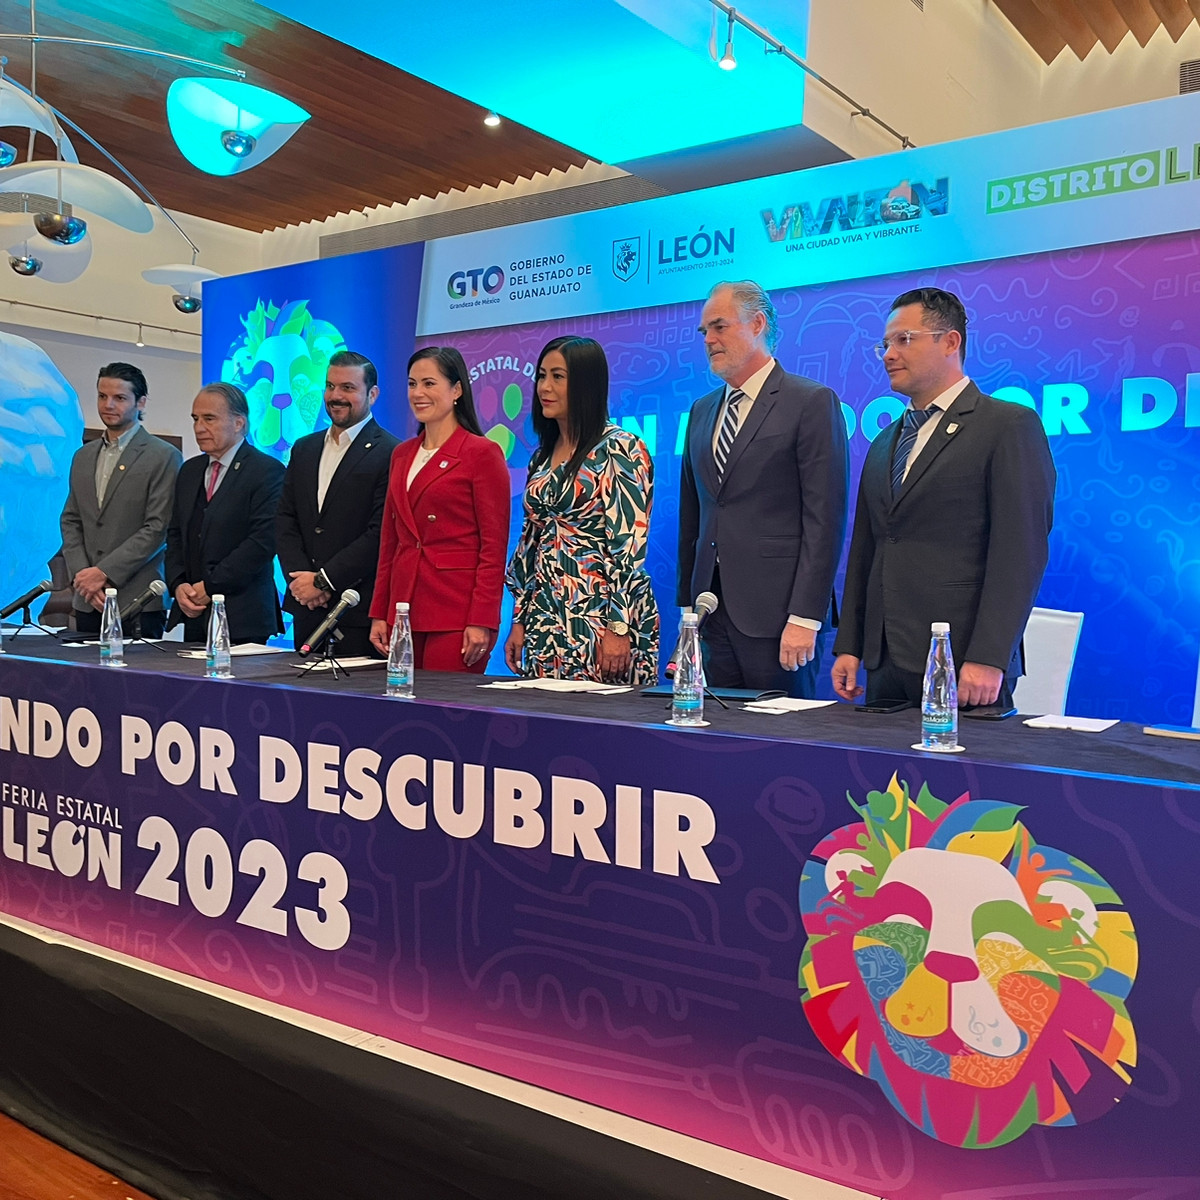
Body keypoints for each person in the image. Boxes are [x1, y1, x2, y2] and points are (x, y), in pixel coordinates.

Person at [831, 286, 1056, 708]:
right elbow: (867, 549)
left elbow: (1020, 552)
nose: (888, 354)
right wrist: (850, 645)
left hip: (961, 662)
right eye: (885, 344)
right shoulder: (884, 441)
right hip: (884, 663)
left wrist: (989, 656)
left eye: (904, 339)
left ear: (951, 342)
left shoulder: (1007, 426)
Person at [678, 280, 849, 698]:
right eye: (704, 331)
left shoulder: (810, 401)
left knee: (781, 735)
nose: (709, 340)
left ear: (757, 324)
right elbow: (693, 515)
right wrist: (687, 611)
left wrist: (805, 617)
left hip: (779, 620)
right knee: (713, 733)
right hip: (710, 616)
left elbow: (824, 521)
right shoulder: (701, 410)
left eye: (719, 326)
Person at [505, 336, 659, 683]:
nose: (545, 387)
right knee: (543, 711)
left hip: (601, 617)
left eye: (558, 377)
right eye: (542, 376)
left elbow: (628, 547)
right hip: (546, 615)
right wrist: (520, 619)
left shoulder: (620, 448)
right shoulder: (541, 457)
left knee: (601, 713)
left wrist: (619, 626)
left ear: (586, 385)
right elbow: (529, 544)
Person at [368, 347, 509, 672]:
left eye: (429, 383)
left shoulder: (482, 453)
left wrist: (482, 619)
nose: (418, 393)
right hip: (403, 609)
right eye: (412, 384)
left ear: (456, 390)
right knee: (402, 701)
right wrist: (380, 612)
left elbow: (493, 547)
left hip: (456, 611)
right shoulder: (402, 454)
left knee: (446, 702)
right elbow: (390, 542)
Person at [276, 350, 399, 657]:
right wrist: (302, 581)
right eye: (330, 386)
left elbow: (380, 532)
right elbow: (285, 518)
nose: (335, 396)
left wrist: (323, 581)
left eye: (348, 387)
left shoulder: (391, 452)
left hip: (357, 610)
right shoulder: (304, 448)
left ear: (372, 394)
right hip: (306, 606)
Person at [59, 363, 182, 637]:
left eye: (120, 398)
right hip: (88, 598)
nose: (108, 405)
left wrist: (103, 573)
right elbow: (71, 520)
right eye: (102, 396)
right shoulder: (83, 456)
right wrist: (84, 576)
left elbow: (157, 527)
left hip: (137, 599)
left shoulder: (163, 456)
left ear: (141, 402)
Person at [165, 383, 286, 643]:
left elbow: (262, 542)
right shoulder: (190, 471)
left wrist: (211, 586)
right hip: (195, 611)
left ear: (239, 423)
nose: (199, 428)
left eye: (209, 419)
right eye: (195, 419)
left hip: (244, 615)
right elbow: (175, 534)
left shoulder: (266, 471)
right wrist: (178, 585)